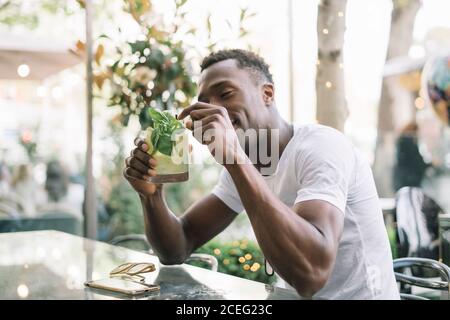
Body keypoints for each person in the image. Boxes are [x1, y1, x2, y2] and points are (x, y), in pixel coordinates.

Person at [124, 49, 399, 299]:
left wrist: (235, 159)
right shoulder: (244, 164)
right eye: (205, 101)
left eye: (226, 93)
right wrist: (152, 196)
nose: (213, 109)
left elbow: (311, 274)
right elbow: (178, 247)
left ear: (267, 94)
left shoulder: (321, 147)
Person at [393, 121, 429, 192]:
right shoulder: (409, 143)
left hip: (401, 179)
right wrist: (430, 164)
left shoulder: (401, 141)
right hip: (410, 180)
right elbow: (417, 161)